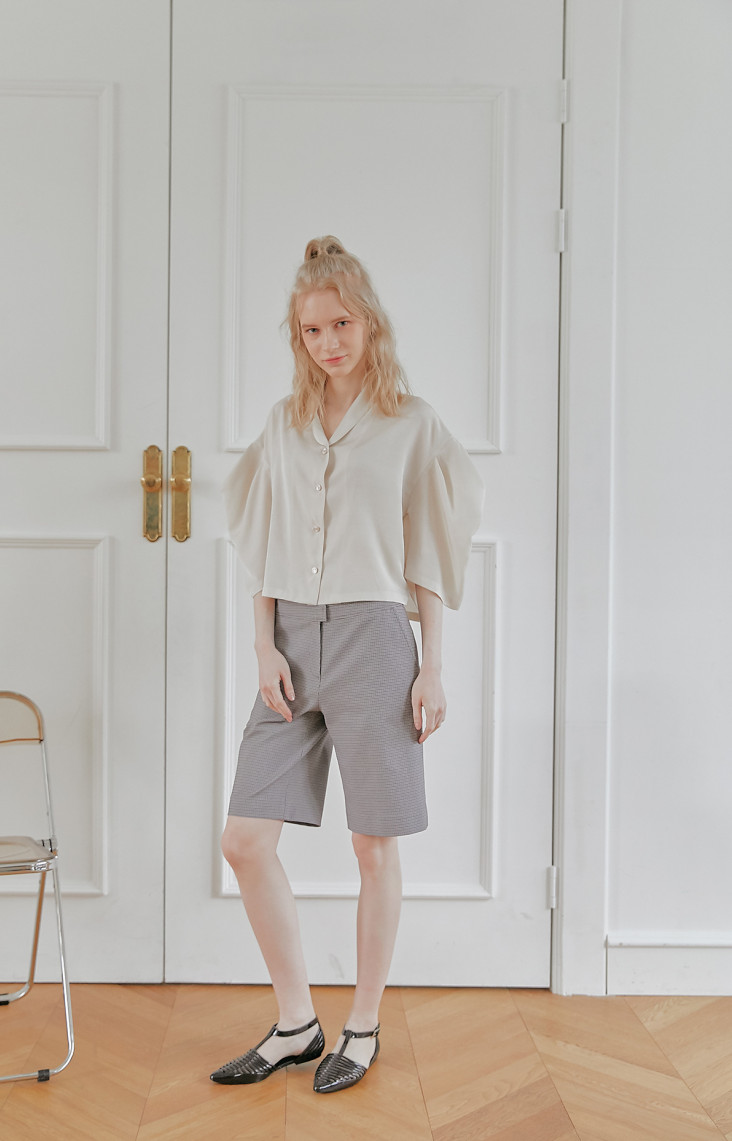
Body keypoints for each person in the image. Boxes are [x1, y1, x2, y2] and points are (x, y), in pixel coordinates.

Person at [211, 236, 484, 1094]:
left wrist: (431, 665)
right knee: (244, 840)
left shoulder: (411, 423)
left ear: (369, 322)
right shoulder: (284, 424)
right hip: (291, 640)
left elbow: (428, 549)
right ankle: (297, 1022)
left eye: (341, 324)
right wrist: (263, 644)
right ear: (297, 336)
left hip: (375, 639)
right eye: (311, 329)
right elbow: (262, 541)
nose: (328, 342)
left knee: (372, 845)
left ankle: (362, 1024)